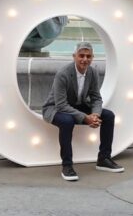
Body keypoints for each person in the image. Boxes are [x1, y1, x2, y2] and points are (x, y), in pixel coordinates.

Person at [41, 42, 123, 181]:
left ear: (92, 58)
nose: (85, 59)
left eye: (88, 56)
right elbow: (61, 105)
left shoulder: (92, 72)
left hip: (77, 105)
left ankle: (104, 159)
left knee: (108, 116)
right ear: (74, 56)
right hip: (55, 108)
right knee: (67, 121)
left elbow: (96, 98)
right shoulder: (63, 74)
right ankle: (67, 166)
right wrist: (85, 118)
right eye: (81, 56)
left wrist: (95, 114)